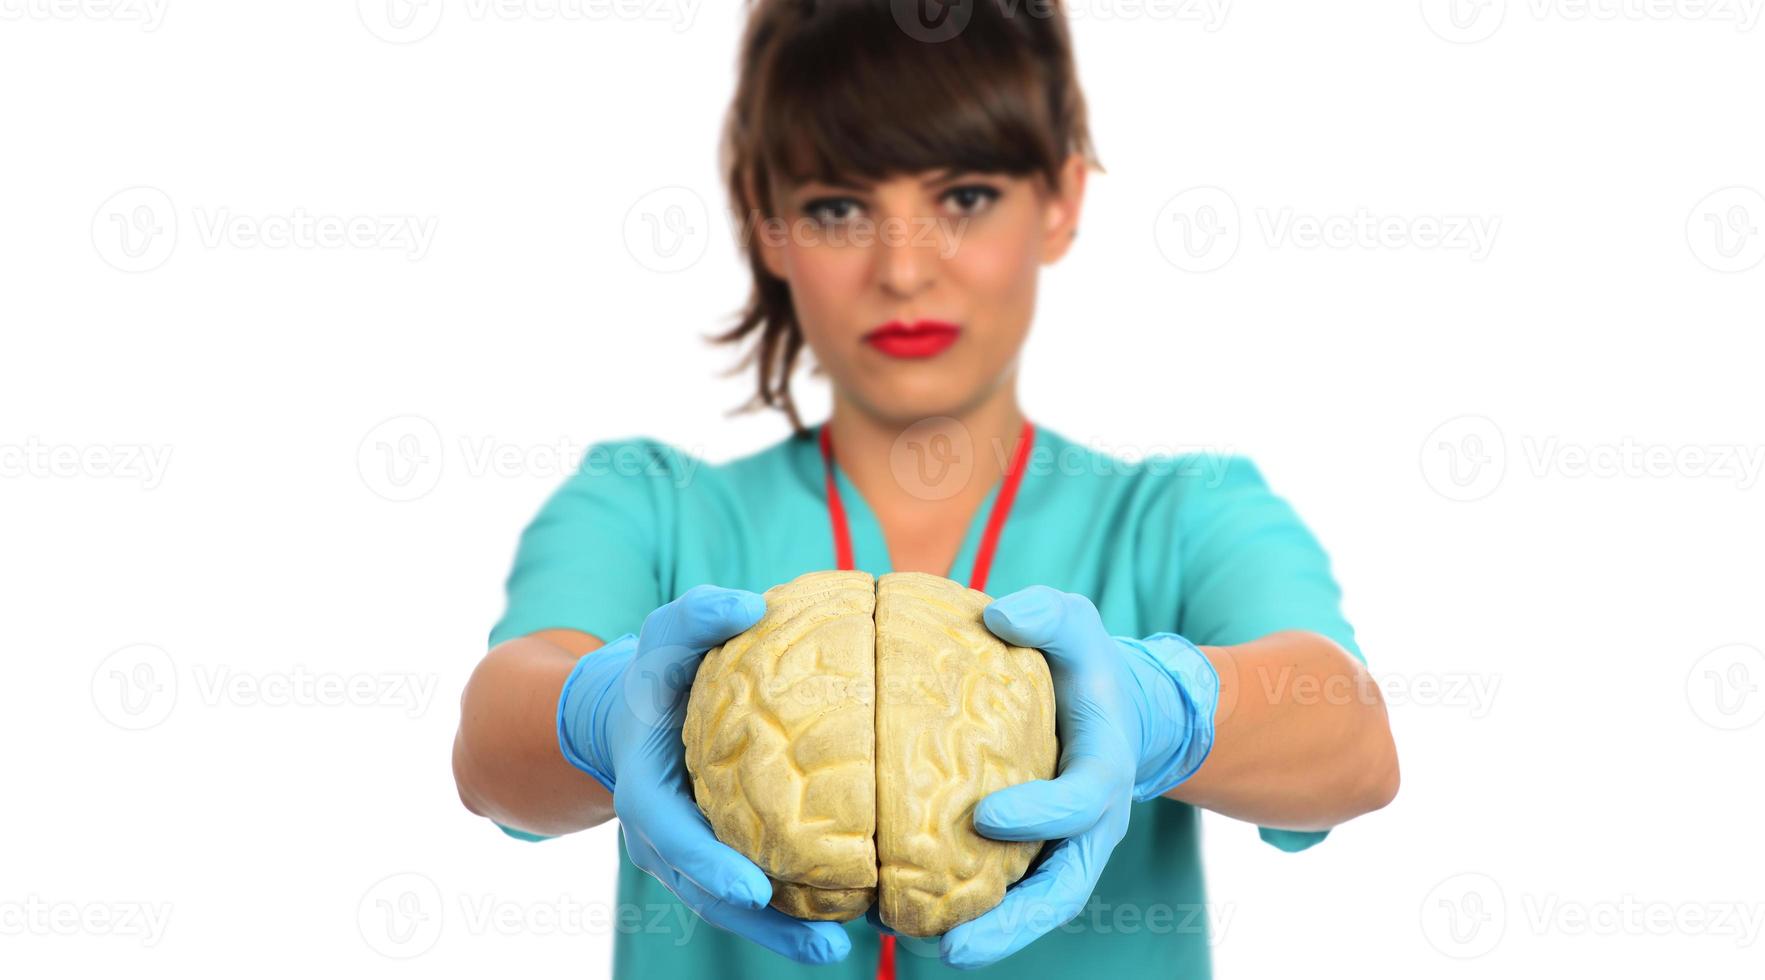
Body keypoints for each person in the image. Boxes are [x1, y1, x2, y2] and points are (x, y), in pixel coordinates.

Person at [452, 1, 1399, 976]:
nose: (903, 269)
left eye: (966, 196)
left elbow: (1356, 740)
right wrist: (592, 710)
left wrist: (1170, 707)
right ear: (763, 222)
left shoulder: (1181, 514)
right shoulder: (647, 505)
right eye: (835, 208)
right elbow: (488, 744)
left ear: (1064, 199)